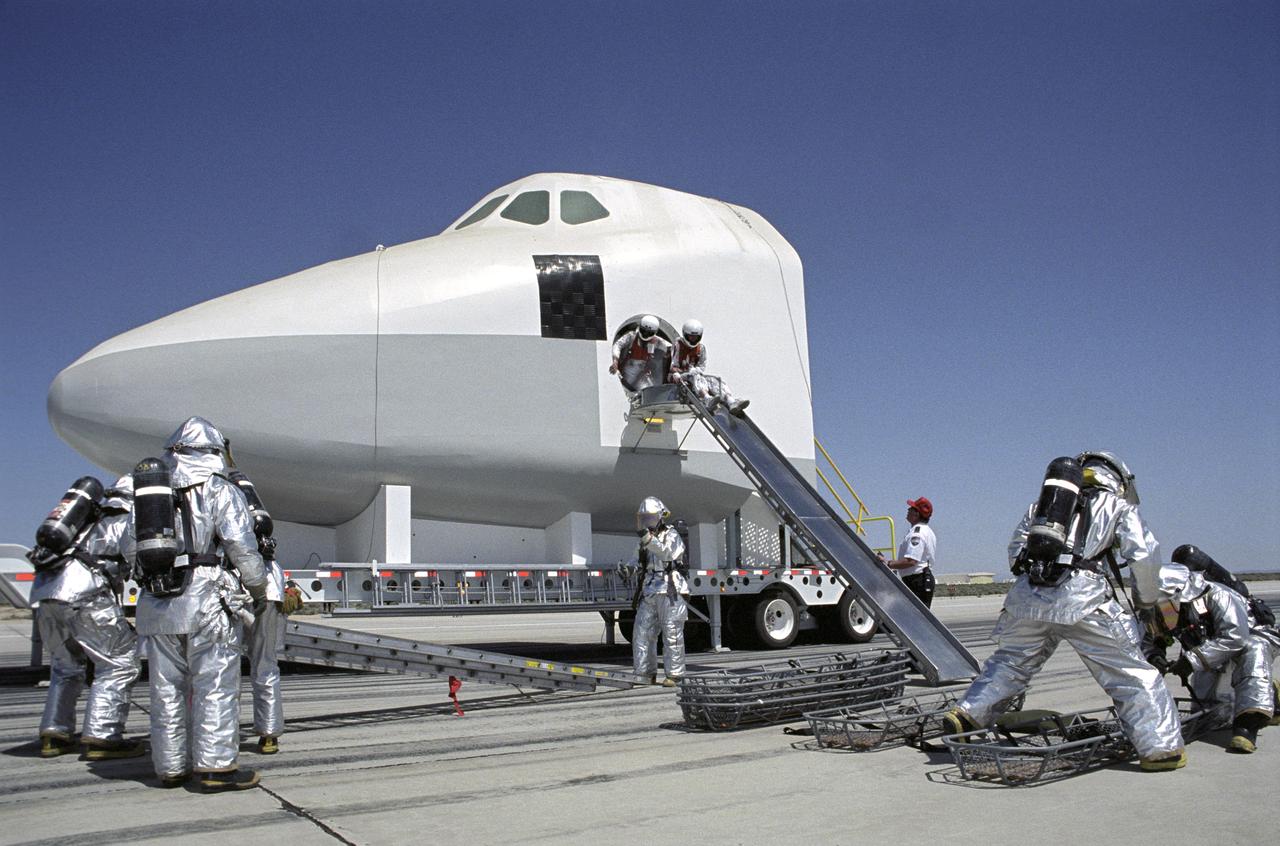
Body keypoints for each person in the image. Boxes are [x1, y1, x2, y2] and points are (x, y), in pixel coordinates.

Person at [943, 451, 1186, 771]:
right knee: (1131, 674)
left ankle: (968, 715)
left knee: (1010, 664)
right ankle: (1160, 749)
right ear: (1118, 478)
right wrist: (1145, 602)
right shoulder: (1117, 506)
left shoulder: (1041, 506)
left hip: (1027, 599)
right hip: (1083, 600)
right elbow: (1144, 556)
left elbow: (1015, 553)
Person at [129, 417, 268, 791]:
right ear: (213, 452)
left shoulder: (147, 496)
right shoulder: (219, 489)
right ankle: (215, 766)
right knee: (215, 684)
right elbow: (241, 546)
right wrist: (257, 589)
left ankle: (170, 766)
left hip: (157, 604)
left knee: (166, 688)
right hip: (207, 600)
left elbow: (131, 549)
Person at [29, 476, 144, 760]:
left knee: (64, 666)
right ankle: (103, 736)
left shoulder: (84, 520)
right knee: (119, 663)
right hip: (86, 595)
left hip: (47, 594)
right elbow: (138, 561)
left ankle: (54, 734)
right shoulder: (127, 520)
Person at [1144, 560, 1280, 754]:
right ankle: (1273, 695)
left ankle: (1248, 725)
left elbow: (1235, 638)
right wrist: (1155, 654)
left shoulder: (1217, 595)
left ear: (1177, 591)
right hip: (1209, 648)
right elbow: (1153, 636)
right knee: (1212, 715)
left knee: (1252, 648)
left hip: (1251, 637)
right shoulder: (1167, 606)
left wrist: (1191, 661)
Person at [630, 496, 688, 687]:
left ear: (661, 516)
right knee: (642, 631)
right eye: (644, 518)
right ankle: (644, 672)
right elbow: (637, 560)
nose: (648, 522)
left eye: (651, 517)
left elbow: (667, 553)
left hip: (670, 589)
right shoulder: (645, 540)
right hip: (649, 589)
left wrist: (647, 538)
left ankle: (675, 674)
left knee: (671, 632)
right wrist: (627, 568)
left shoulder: (672, 535)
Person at [668, 318, 749, 417]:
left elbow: (701, 366)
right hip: (680, 377)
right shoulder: (678, 344)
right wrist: (683, 372)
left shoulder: (701, 348)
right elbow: (673, 366)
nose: (693, 339)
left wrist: (695, 370)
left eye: (695, 337)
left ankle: (730, 401)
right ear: (685, 334)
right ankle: (706, 398)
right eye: (691, 337)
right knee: (696, 378)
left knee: (714, 380)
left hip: (695, 374)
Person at [882, 497, 936, 607]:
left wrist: (888, 563)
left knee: (916, 618)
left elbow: (911, 561)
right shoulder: (926, 531)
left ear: (917, 514)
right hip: (919, 580)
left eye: (911, 508)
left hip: (917, 581)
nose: (908, 510)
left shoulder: (917, 534)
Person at [609, 315, 671, 397]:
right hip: (628, 370)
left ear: (655, 333)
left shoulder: (658, 342)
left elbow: (672, 348)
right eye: (644, 331)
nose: (645, 334)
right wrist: (615, 362)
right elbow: (618, 345)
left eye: (649, 333)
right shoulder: (631, 336)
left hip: (643, 374)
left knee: (649, 393)